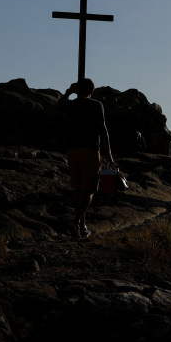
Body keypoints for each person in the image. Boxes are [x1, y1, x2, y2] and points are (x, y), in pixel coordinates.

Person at [61, 77, 114, 239]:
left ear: (77, 90)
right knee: (90, 189)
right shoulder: (96, 105)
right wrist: (109, 155)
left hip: (72, 151)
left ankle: (81, 227)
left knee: (78, 189)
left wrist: (69, 92)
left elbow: (57, 106)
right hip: (90, 150)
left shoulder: (70, 105)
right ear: (92, 91)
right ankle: (76, 221)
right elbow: (102, 129)